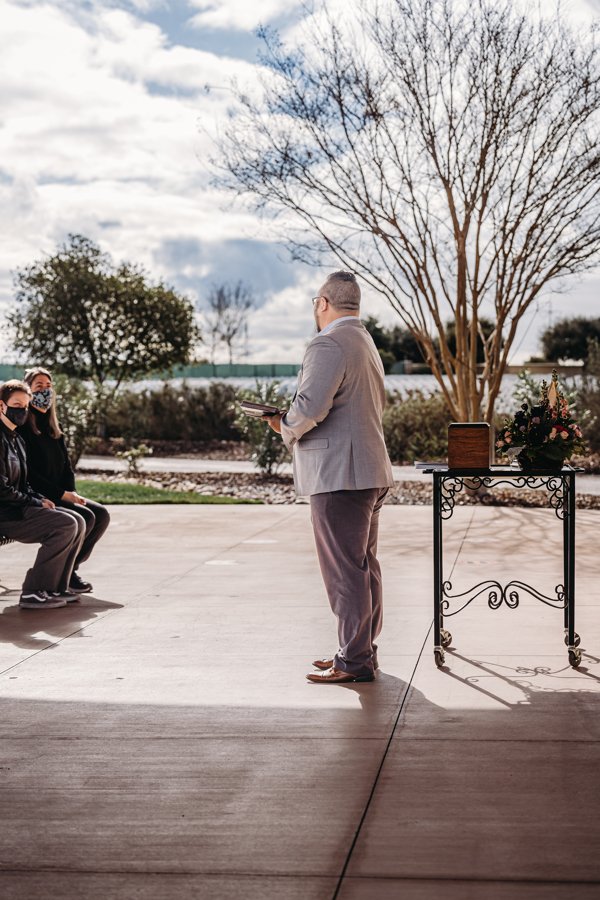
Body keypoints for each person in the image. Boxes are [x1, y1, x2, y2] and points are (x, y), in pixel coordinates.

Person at [266, 271, 394, 684]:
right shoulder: (365, 341)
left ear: (323, 303)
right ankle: (360, 652)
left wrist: (283, 424)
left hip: (339, 475)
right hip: (368, 469)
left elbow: (310, 406)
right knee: (361, 567)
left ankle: (353, 661)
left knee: (343, 571)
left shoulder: (327, 342)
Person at [21, 367, 110, 594]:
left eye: (49, 387)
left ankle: (70, 571)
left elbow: (66, 468)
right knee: (86, 517)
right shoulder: (23, 429)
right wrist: (63, 496)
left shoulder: (54, 430)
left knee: (100, 514)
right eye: (39, 386)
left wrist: (72, 494)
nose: (45, 391)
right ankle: (58, 576)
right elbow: (29, 475)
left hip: (60, 493)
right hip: (39, 495)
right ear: (27, 392)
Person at [0, 380, 85, 609]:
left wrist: (40, 499)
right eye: (16, 404)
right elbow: (3, 490)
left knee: (77, 520)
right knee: (65, 525)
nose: (22, 411)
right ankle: (34, 591)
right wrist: (34, 501)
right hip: (6, 514)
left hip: (17, 508)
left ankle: (56, 587)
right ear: (1, 406)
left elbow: (23, 482)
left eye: (25, 407)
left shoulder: (16, 439)